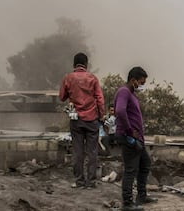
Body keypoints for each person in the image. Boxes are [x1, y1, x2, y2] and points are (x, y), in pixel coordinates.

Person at [59, 52, 105, 189]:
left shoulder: (68, 78)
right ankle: (91, 183)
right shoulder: (93, 78)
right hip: (92, 120)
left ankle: (79, 181)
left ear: (74, 64)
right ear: (86, 64)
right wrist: (101, 115)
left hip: (76, 120)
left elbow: (62, 97)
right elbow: (100, 99)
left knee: (78, 152)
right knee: (92, 152)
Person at [114, 66, 156, 211]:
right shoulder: (124, 91)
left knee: (145, 164)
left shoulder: (130, 94)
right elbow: (119, 111)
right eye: (141, 83)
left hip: (137, 139)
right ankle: (127, 203)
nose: (141, 86)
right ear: (133, 80)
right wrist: (130, 131)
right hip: (128, 137)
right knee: (131, 169)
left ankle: (142, 195)